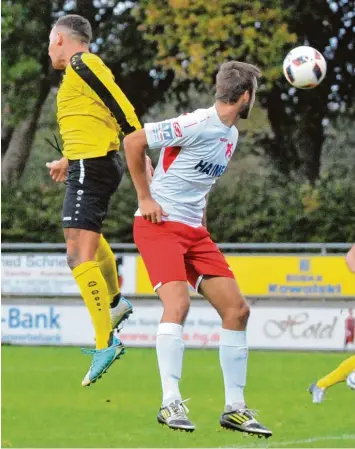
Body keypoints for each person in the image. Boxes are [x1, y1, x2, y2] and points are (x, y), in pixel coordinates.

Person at [123, 61, 272, 437]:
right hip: (158, 225)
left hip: (194, 232)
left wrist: (201, 224)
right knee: (179, 305)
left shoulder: (231, 135)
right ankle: (169, 401)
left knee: (237, 311)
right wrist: (145, 198)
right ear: (244, 96)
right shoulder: (195, 122)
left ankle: (234, 409)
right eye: (253, 92)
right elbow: (133, 141)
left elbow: (199, 183)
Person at [46, 14, 152, 386]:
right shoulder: (76, 74)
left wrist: (141, 150)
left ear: (59, 38)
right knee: (84, 241)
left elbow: (121, 107)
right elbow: (100, 119)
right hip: (87, 163)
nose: (49, 51)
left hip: (93, 167)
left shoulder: (82, 63)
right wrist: (67, 158)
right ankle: (115, 303)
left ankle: (105, 340)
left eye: (49, 43)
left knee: (78, 254)